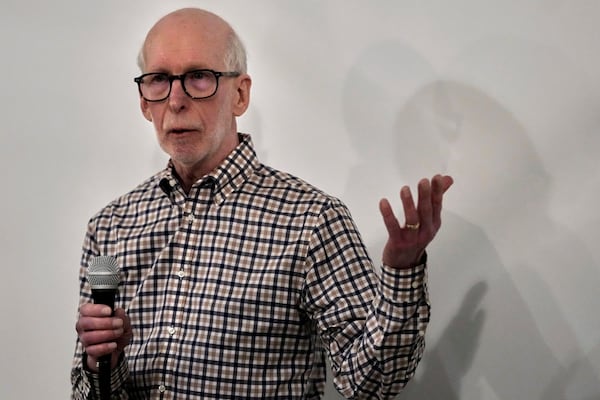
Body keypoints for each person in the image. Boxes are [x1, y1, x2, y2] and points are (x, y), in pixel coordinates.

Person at [71, 7, 453, 400]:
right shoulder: (110, 226)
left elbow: (371, 384)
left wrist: (401, 273)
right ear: (143, 102)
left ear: (240, 94)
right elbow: (85, 394)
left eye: (199, 77)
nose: (176, 100)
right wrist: (106, 364)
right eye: (159, 80)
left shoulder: (311, 221)